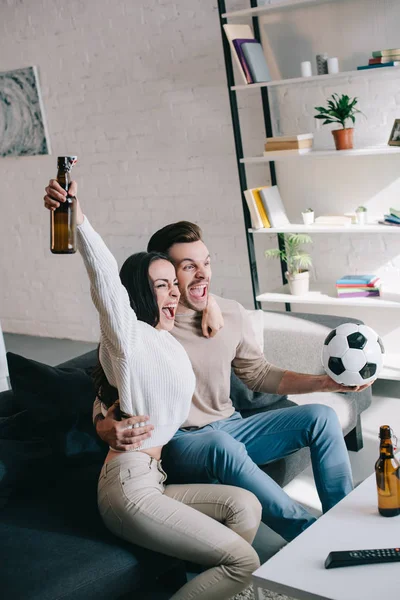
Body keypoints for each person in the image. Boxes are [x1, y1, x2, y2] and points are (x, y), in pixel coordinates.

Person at [43, 180, 262, 600]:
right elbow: (105, 281)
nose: (174, 291)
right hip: (128, 486)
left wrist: (208, 301)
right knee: (243, 561)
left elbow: (120, 385)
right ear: (140, 294)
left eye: (173, 284)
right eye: (162, 284)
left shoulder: (164, 343)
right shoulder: (131, 337)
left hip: (153, 479)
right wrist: (79, 221)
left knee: (244, 506)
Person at [94, 219, 373, 543]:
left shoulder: (229, 313)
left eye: (206, 263)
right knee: (221, 445)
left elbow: (258, 373)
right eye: (188, 266)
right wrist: (103, 426)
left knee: (321, 417)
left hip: (233, 425)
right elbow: (105, 391)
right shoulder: (140, 329)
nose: (203, 274)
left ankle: (345, 527)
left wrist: (325, 384)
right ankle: (309, 536)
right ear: (163, 273)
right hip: (185, 442)